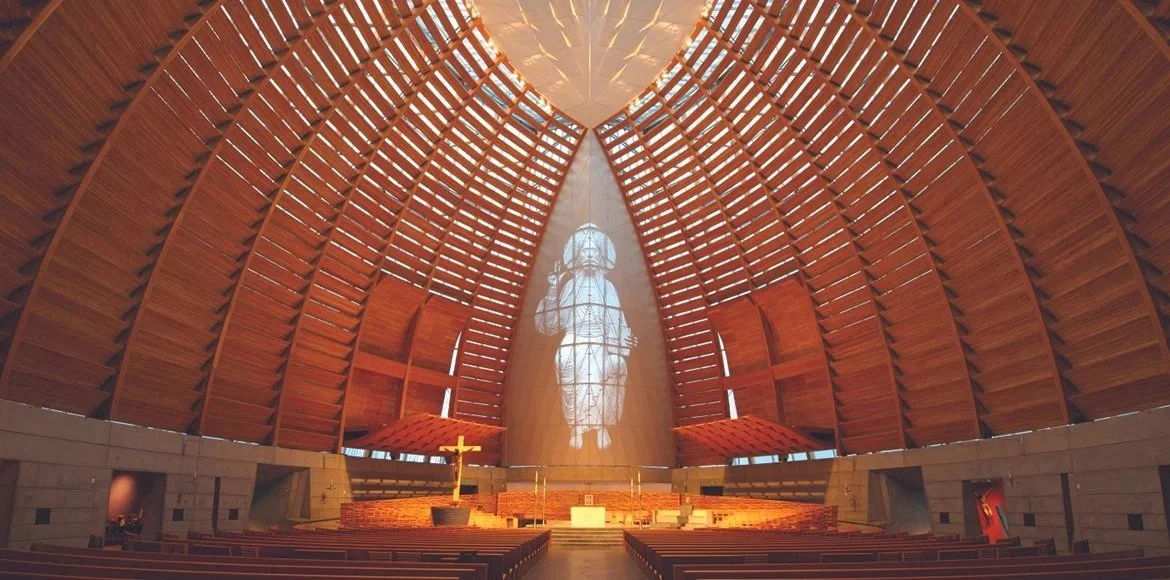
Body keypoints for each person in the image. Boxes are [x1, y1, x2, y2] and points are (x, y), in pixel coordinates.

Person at [535, 223, 637, 449]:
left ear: (601, 257)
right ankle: (575, 428)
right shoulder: (570, 285)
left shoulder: (609, 287)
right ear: (577, 257)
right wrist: (553, 288)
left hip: (601, 344)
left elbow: (618, 322)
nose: (590, 255)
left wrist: (626, 339)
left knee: (617, 364)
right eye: (584, 251)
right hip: (574, 340)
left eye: (594, 251)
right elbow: (551, 325)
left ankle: (602, 427)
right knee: (564, 361)